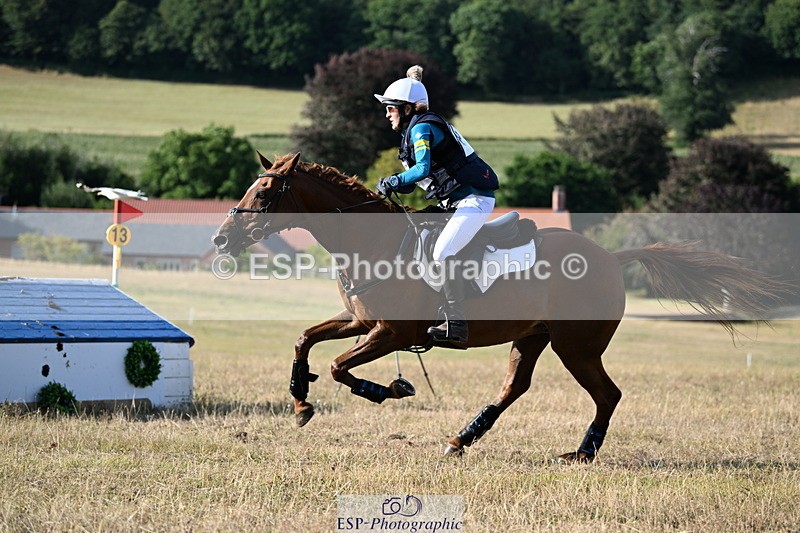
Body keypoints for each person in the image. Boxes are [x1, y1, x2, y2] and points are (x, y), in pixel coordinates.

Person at [374, 65, 499, 343]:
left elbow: (420, 170)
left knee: (442, 251)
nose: (387, 114)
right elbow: (417, 179)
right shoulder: (415, 131)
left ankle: (456, 322)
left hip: (473, 200)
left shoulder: (423, 130)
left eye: (391, 108)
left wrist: (393, 181)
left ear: (406, 109)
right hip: (454, 203)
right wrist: (396, 184)